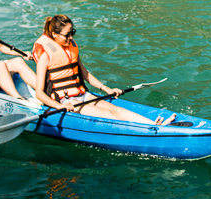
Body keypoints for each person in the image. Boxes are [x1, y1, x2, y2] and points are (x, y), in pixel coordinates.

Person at [33, 14, 176, 125]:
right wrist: (58, 106)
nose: (71, 38)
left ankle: (154, 125)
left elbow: (85, 74)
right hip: (66, 101)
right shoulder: (46, 55)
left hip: (82, 95)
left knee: (116, 110)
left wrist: (107, 89)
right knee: (108, 115)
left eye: (73, 33)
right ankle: (150, 130)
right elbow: (39, 93)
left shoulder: (72, 48)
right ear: (54, 35)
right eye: (67, 35)